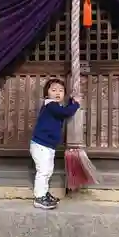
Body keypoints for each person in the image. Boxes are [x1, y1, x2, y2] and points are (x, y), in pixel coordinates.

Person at [30, 78, 80, 210]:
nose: (57, 92)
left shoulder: (56, 106)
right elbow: (65, 113)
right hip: (41, 145)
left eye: (61, 90)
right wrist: (75, 104)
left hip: (47, 146)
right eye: (53, 90)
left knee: (48, 170)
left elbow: (63, 110)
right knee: (43, 171)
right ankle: (39, 197)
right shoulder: (50, 105)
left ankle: (44, 193)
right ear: (47, 94)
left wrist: (70, 102)